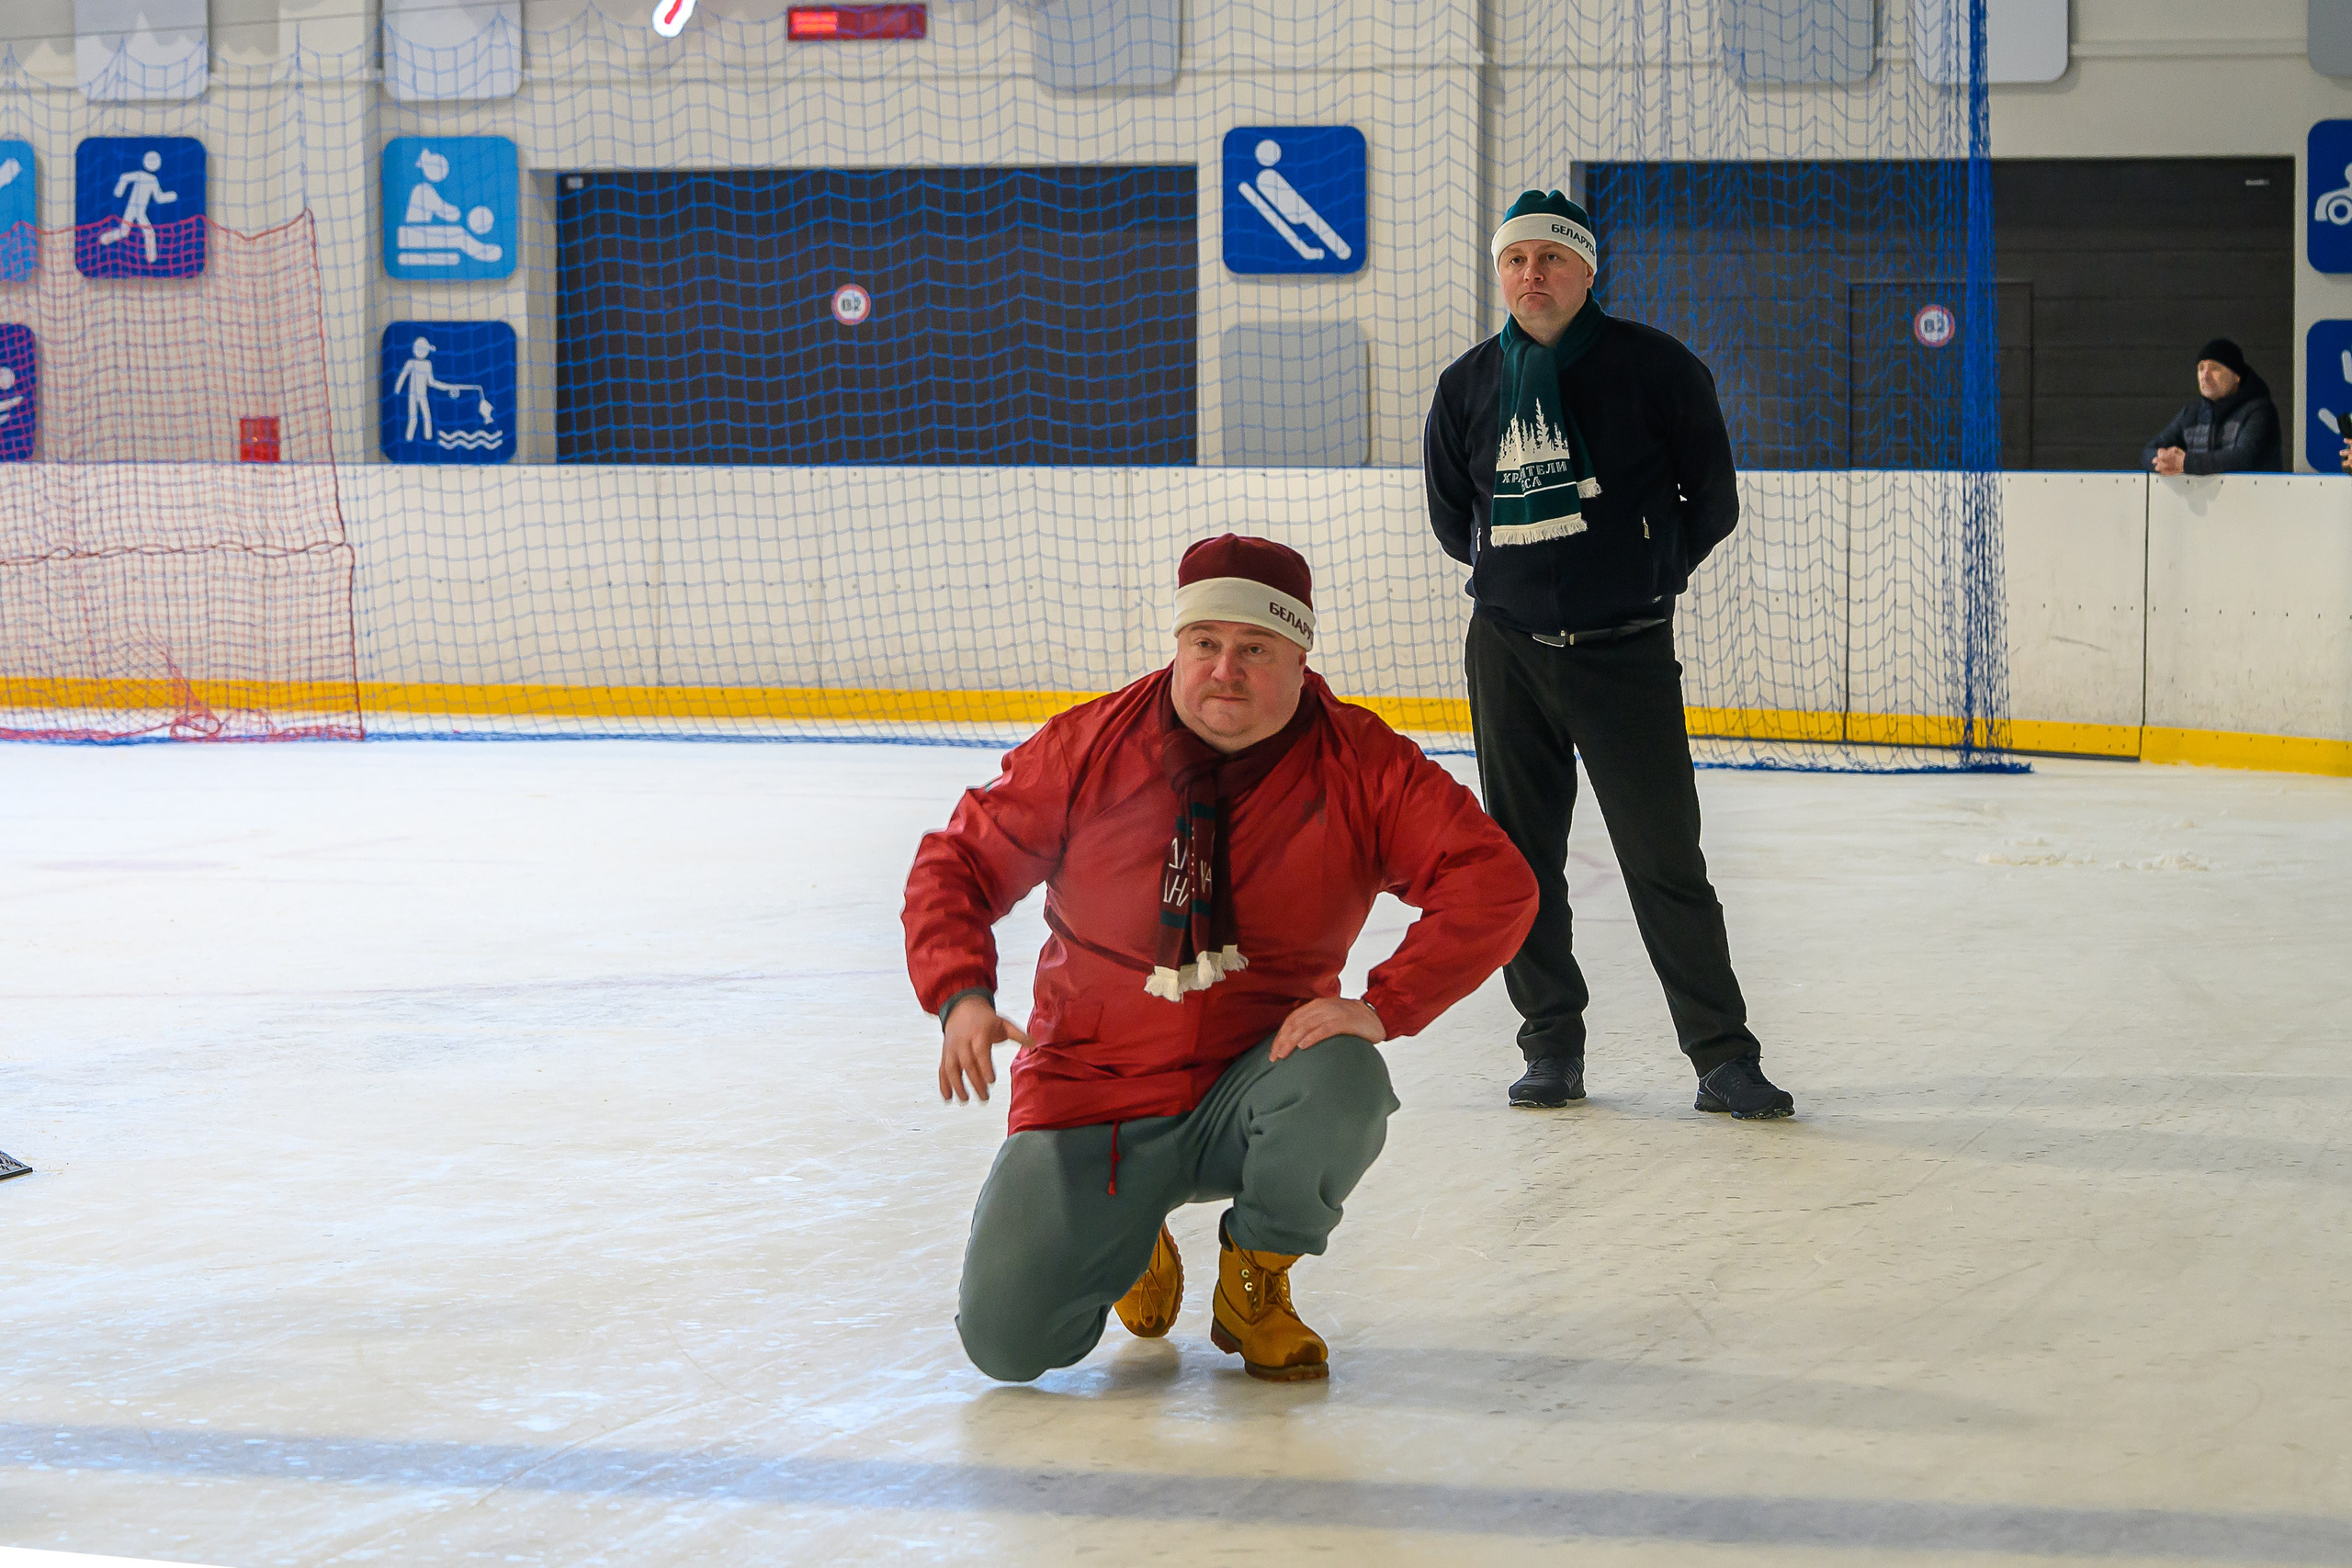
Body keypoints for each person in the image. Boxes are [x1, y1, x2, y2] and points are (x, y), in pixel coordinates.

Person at [904, 535, 1537, 1384]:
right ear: (1178, 646)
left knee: (1343, 1078)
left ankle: (1255, 1278)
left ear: (1300, 653)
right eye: (1205, 644)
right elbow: (960, 862)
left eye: (1255, 649)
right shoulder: (1089, 747)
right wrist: (961, 995)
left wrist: (1385, 1004)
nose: (1224, 670)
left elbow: (1494, 881)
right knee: (1010, 1343)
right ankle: (1131, 1235)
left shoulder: (1359, 764)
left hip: (1257, 1082)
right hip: (1094, 1094)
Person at [1422, 188, 1793, 1121]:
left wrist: (1645, 572)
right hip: (1507, 652)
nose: (1530, 275)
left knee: (1665, 861)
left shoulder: (1656, 369)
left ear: (1588, 271)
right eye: (1515, 261)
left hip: (1624, 655)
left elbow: (1709, 500)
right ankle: (1550, 1046)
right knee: (1519, 863)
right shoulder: (1468, 385)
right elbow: (1448, 518)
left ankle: (1722, 1057)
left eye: (1549, 259)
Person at [2143, 339, 2281, 475]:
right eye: (2201, 368)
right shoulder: (2190, 413)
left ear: (2236, 376)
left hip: (2251, 495)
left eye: (2215, 368)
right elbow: (2148, 451)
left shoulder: (2259, 410)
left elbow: (2244, 457)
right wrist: (2161, 460)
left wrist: (2186, 463)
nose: (2205, 376)